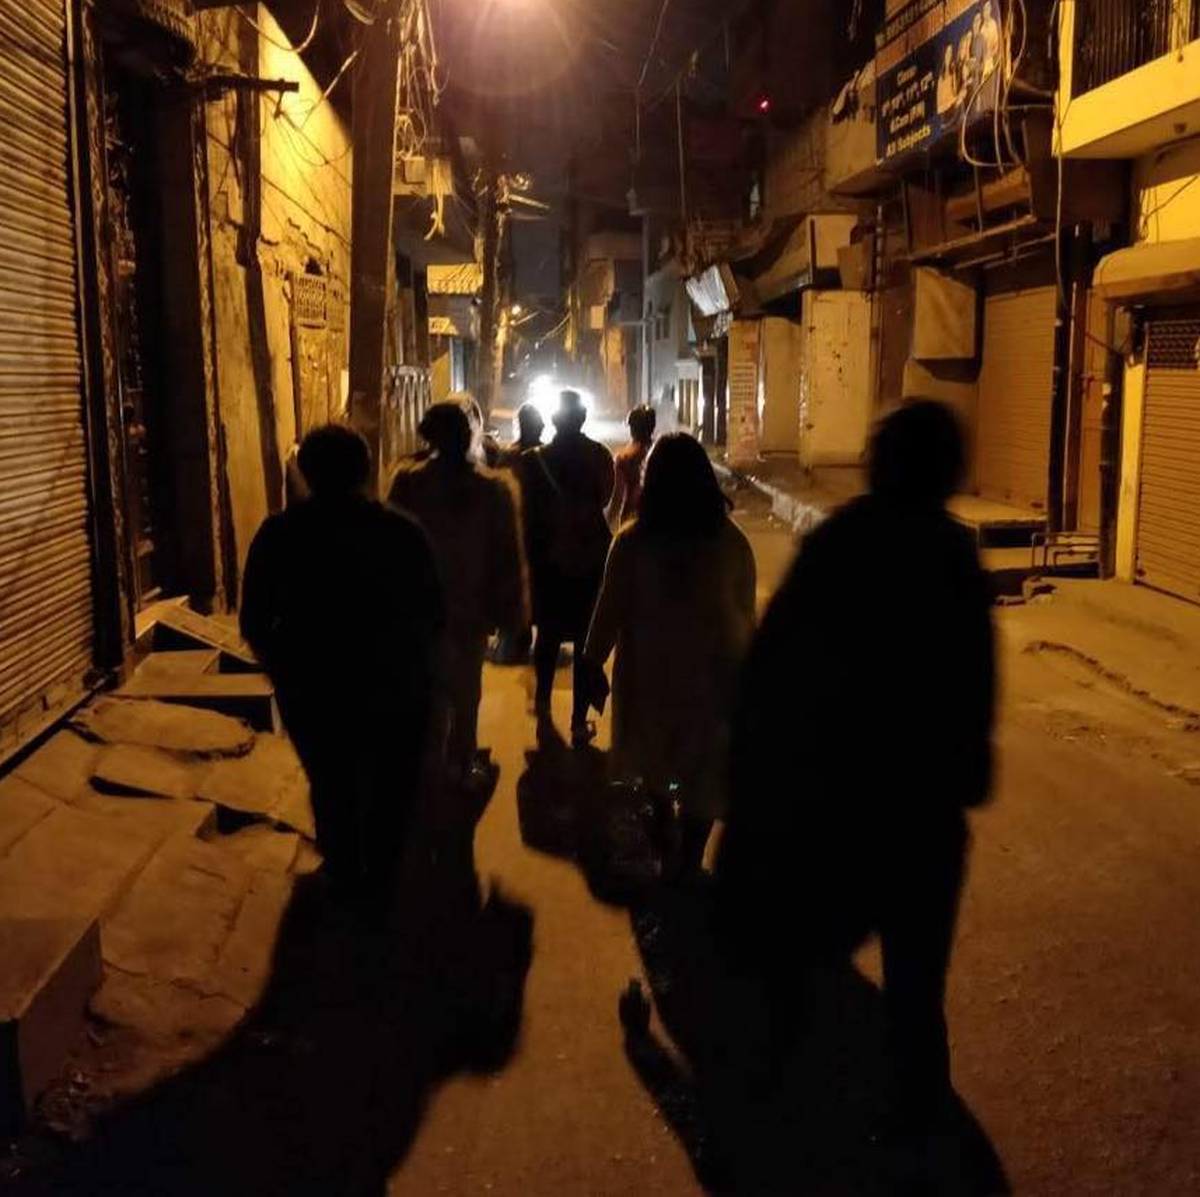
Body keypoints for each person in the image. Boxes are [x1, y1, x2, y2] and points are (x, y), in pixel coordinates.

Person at [718, 401, 996, 1153]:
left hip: (832, 808)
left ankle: (787, 1116)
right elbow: (972, 689)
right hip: (921, 816)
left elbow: (772, 674)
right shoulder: (952, 555)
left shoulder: (842, 542)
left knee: (799, 962)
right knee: (914, 991)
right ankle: (915, 1132)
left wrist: (751, 788)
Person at [240, 424, 444, 894]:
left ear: (306, 472)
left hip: (313, 689)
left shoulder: (280, 534)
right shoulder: (400, 532)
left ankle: (345, 869)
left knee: (331, 781)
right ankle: (382, 878)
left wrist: (285, 673)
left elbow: (254, 620)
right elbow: (432, 615)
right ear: (365, 469)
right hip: (394, 688)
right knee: (391, 783)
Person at [582, 434, 755, 874]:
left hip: (648, 683)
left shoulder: (632, 542)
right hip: (710, 686)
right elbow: (745, 620)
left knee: (656, 767)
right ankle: (689, 855)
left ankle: (665, 833)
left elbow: (607, 613)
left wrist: (591, 664)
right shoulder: (731, 543)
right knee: (703, 776)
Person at [389, 403, 528, 789]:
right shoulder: (493, 490)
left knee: (430, 694)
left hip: (419, 612)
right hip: (470, 612)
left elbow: (391, 553)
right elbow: (507, 558)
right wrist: (513, 616)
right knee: (467, 692)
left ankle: (431, 770)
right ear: (468, 437)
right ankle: (462, 764)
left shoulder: (407, 484)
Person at [522, 389, 615, 748]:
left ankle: (543, 709)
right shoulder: (599, 455)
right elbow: (606, 498)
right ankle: (578, 719)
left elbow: (526, 514)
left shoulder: (534, 461)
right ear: (583, 419)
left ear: (555, 421)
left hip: (548, 561)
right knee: (582, 643)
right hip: (590, 561)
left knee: (546, 637)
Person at [607, 404, 656, 529]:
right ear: (652, 427)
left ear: (632, 428)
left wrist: (606, 523)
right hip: (658, 519)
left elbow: (617, 498)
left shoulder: (624, 458)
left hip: (631, 521)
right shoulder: (661, 452)